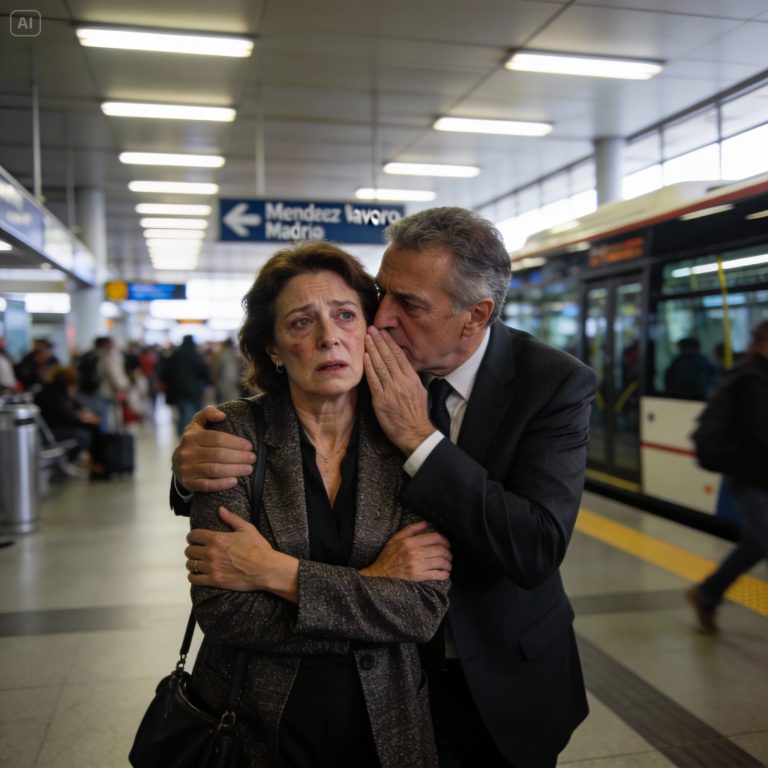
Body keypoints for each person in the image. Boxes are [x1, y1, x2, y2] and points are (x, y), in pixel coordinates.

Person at [172, 207, 597, 768]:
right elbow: (227, 598)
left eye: (409, 304)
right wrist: (188, 474)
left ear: (476, 315)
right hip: (368, 692)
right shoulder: (357, 376)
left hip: (499, 672)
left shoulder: (553, 384)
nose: (381, 320)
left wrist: (282, 575)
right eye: (381, 295)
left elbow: (532, 547)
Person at [182, 241, 450, 767]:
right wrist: (373, 591)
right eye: (302, 323)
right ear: (275, 350)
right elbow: (225, 611)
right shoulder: (234, 433)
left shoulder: (407, 434)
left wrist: (277, 574)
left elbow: (422, 611)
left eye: (345, 315)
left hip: (384, 721)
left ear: (368, 332)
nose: (330, 336)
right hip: (254, 721)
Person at [686, 319, 768, 632]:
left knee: (755, 544)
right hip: (753, 479)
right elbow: (761, 435)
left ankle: (707, 592)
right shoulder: (752, 380)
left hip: (758, 477)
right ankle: (708, 592)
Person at [160, 334, 210, 436]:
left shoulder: (174, 355)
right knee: (197, 416)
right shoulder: (196, 355)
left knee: (184, 415)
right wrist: (208, 383)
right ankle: (196, 435)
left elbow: (165, 373)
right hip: (195, 390)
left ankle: (183, 437)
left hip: (179, 391)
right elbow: (204, 372)